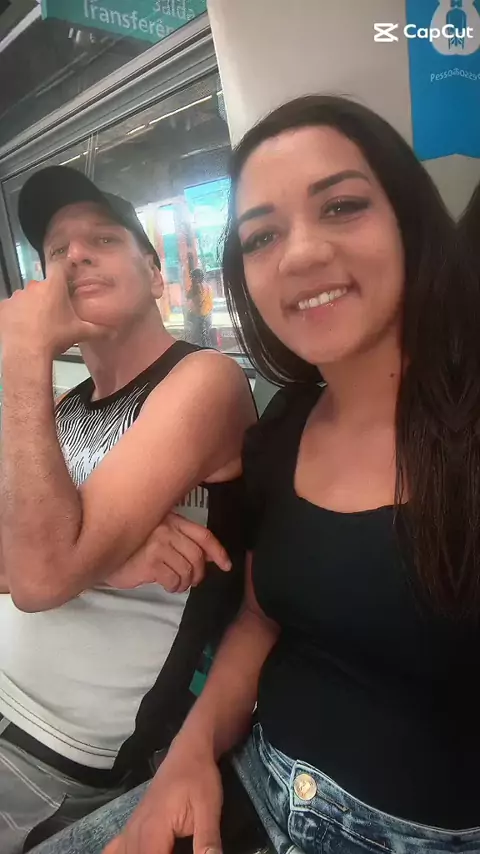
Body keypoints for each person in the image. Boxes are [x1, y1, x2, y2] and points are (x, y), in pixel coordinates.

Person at [32, 95, 478, 854]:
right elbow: (260, 616)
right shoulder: (283, 429)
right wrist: (190, 755)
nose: (299, 255)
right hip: (254, 779)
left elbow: (43, 569)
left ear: (410, 220)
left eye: (341, 206)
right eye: (262, 235)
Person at [0, 165, 256, 854]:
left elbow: (37, 576)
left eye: (104, 239)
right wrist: (105, 562)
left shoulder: (204, 380)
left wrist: (22, 350)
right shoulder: (62, 408)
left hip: (53, 755)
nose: (76, 255)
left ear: (156, 276)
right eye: (57, 250)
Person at [185, 268, 214, 347]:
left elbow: (192, 297)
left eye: (193, 277)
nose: (192, 279)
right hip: (208, 315)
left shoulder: (197, 287)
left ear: (197, 277)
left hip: (201, 317)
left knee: (199, 339)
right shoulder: (208, 286)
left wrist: (192, 289)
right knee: (206, 337)